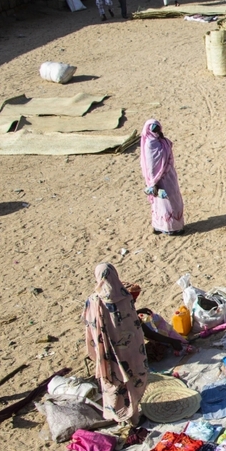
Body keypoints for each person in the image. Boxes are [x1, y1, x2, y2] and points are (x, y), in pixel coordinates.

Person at [83, 263, 149, 425]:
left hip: (109, 352)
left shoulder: (93, 301)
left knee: (114, 382)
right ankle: (133, 413)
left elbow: (89, 326)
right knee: (134, 378)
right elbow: (133, 322)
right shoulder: (124, 296)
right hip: (131, 350)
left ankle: (120, 414)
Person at [140, 119, 185, 235]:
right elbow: (150, 165)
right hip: (162, 178)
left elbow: (150, 165)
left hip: (164, 177)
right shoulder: (154, 143)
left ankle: (168, 226)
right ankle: (168, 226)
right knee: (165, 201)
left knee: (168, 200)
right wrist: (154, 181)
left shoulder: (156, 142)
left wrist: (152, 181)